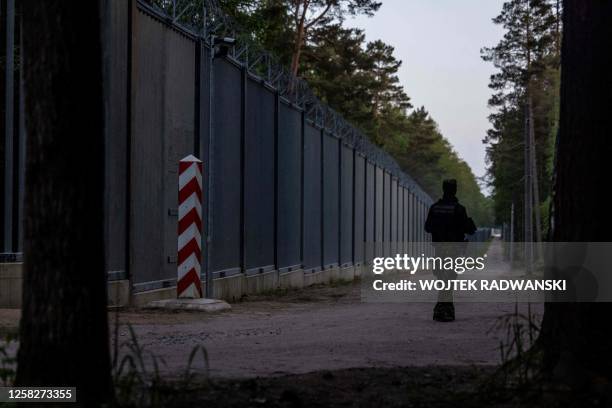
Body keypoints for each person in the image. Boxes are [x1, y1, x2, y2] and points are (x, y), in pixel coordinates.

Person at [424, 179, 477, 322]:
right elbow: (470, 230)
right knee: (449, 279)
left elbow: (427, 227)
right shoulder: (459, 209)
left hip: (439, 249)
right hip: (453, 249)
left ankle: (441, 309)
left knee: (442, 278)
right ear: (454, 190)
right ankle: (445, 310)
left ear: (443, 189)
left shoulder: (435, 208)